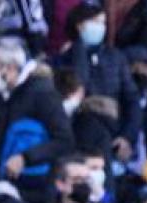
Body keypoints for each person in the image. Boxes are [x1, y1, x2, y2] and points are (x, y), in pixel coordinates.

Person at [0, 41, 75, 203]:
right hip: (2, 183)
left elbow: (64, 140)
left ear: (10, 68)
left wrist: (26, 157)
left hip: (35, 187)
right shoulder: (0, 95)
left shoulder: (42, 94)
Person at [56, 2, 141, 166]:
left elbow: (132, 99)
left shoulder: (116, 57)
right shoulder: (65, 59)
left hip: (112, 127)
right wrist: (78, 50)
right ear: (79, 25)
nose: (100, 28)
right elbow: (78, 86)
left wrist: (127, 136)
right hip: (78, 127)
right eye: (95, 22)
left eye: (102, 23)